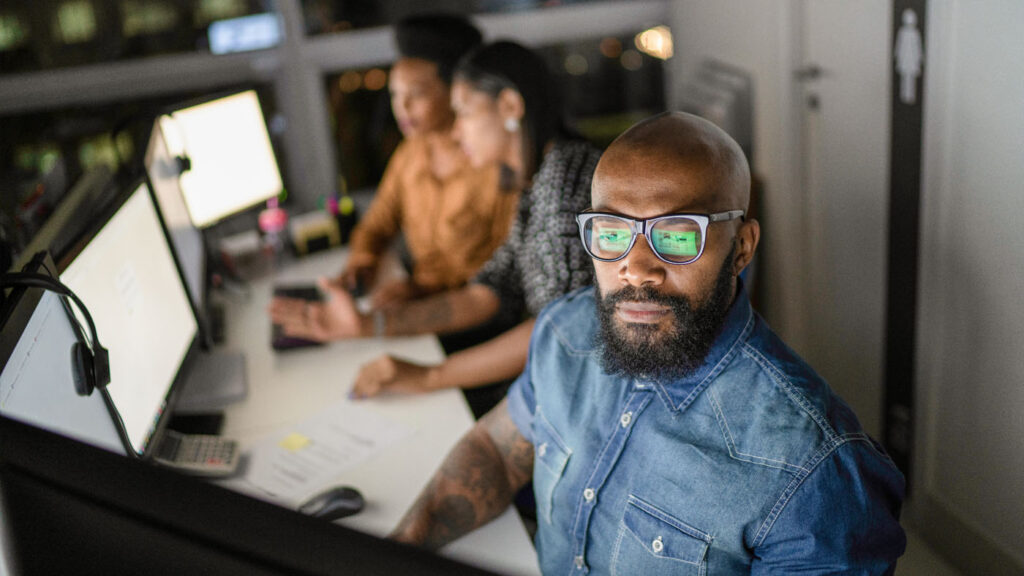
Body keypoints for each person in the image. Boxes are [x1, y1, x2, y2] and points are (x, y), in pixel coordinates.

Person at [387, 112, 907, 573]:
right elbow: (497, 453)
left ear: (742, 247)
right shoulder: (564, 334)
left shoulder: (815, 468)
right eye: (611, 233)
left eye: (678, 235)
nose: (636, 267)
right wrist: (397, 548)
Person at [271, 41, 602, 416]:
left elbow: (558, 334)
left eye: (463, 113)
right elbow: (489, 293)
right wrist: (368, 323)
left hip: (577, 398)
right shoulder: (534, 180)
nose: (457, 134)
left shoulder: (566, 183)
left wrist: (429, 376)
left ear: (510, 106)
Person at [338, 14, 518, 308]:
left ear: (455, 92)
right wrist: (363, 262)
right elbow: (376, 224)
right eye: (395, 94)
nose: (402, 108)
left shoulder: (493, 163)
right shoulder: (410, 153)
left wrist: (420, 291)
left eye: (416, 94)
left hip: (470, 314)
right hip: (415, 300)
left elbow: (502, 278)